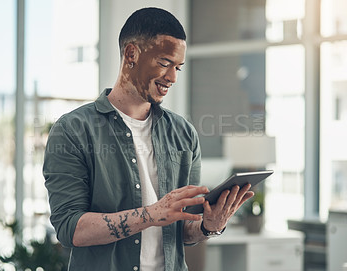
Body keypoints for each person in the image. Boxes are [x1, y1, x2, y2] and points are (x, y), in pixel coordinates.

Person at [43, 7, 254, 271]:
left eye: (178, 67)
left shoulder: (184, 134)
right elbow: (70, 229)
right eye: (164, 63)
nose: (173, 77)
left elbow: (184, 230)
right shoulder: (73, 130)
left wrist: (209, 226)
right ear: (132, 54)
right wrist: (152, 214)